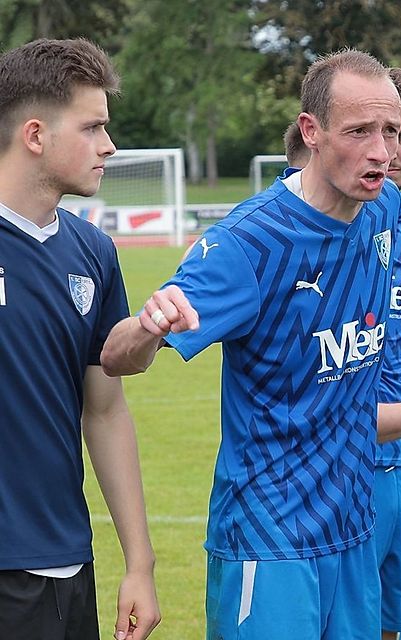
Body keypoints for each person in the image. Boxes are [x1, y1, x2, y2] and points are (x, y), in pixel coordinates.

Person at [101, 48, 401, 639]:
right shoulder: (249, 245)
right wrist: (146, 325)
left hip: (353, 528)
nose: (381, 152)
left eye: (391, 132)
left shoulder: (384, 209)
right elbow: (116, 358)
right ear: (311, 132)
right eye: (360, 131)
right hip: (269, 539)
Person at [0, 39, 160, 640]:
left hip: (69, 565)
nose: (109, 146)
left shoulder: (93, 251)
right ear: (35, 134)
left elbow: (107, 409)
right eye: (92, 127)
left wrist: (139, 565)